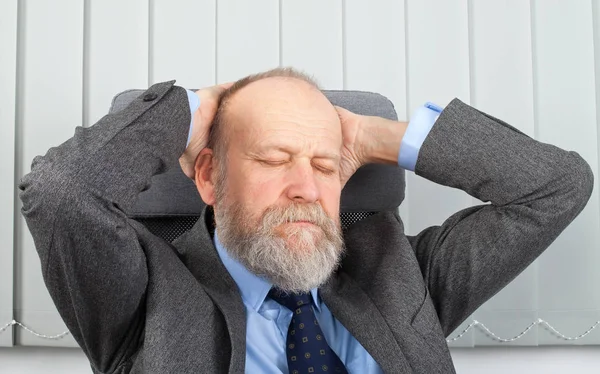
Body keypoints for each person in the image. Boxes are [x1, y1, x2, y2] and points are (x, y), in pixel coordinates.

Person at [20, 67, 593, 374]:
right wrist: (188, 109)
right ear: (208, 178)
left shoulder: (402, 278)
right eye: (272, 160)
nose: (306, 188)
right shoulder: (144, 297)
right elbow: (60, 192)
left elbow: (556, 187)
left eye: (325, 166)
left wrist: (377, 135)